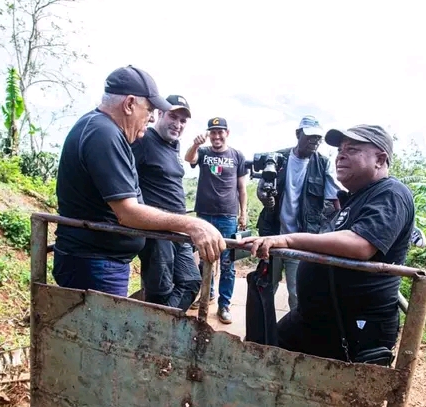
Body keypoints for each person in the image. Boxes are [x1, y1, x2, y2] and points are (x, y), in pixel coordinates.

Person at [241, 124, 415, 363]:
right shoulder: (356, 197)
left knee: (335, 395)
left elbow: (360, 244)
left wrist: (288, 239)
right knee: (263, 356)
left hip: (355, 328)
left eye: (352, 149)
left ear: (380, 159)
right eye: (340, 149)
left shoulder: (392, 193)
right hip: (315, 319)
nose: (341, 155)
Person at [52, 66, 225, 297]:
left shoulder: (105, 130)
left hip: (102, 261)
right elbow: (127, 212)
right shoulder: (103, 133)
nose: (151, 117)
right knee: (106, 330)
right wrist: (192, 224)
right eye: (150, 109)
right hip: (95, 262)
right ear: (130, 103)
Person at [255, 115, 342, 310]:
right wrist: (264, 198)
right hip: (272, 236)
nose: (315, 141)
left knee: (298, 293)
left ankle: (294, 336)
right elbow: (261, 189)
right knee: (266, 287)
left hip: (301, 240)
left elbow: (335, 201)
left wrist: (335, 234)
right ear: (298, 134)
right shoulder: (276, 158)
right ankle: (262, 333)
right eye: (310, 136)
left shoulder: (323, 164)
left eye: (318, 138)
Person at [131, 95, 201, 311]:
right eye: (173, 116)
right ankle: (155, 335)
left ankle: (162, 327)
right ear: (160, 113)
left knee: (191, 281)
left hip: (179, 229)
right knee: (160, 291)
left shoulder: (174, 146)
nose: (177, 124)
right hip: (157, 230)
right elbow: (127, 179)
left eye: (182, 121)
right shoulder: (143, 140)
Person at [184, 117, 248, 324]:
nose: (217, 136)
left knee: (227, 263)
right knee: (205, 259)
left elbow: (242, 189)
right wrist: (195, 143)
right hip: (205, 215)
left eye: (220, 132)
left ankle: (224, 304)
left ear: (227, 133)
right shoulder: (203, 152)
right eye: (213, 132)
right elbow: (188, 159)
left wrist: (243, 213)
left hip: (228, 215)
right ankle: (207, 294)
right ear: (209, 134)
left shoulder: (237, 155)